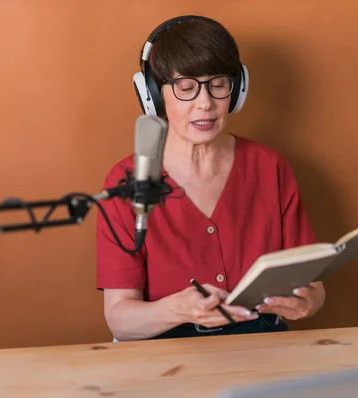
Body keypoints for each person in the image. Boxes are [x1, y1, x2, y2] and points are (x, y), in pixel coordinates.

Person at [96, 15, 325, 341]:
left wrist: (308, 302)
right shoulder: (126, 180)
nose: (205, 104)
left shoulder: (270, 167)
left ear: (237, 89)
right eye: (186, 88)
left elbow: (314, 288)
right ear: (154, 96)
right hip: (166, 352)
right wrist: (176, 309)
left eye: (218, 85)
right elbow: (120, 319)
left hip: (262, 347)